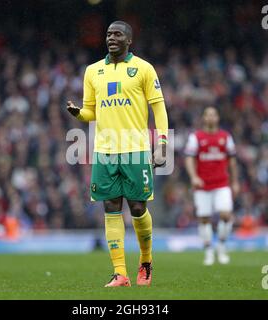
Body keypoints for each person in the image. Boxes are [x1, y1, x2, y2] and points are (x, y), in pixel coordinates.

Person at [66, 21, 168, 287]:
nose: (111, 38)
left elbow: (159, 108)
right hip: (105, 150)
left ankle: (145, 262)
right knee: (111, 208)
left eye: (117, 34)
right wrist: (79, 113)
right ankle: (120, 273)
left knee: (137, 207)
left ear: (129, 40)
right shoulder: (93, 71)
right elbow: (91, 112)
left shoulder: (143, 69)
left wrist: (163, 143)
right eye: (109, 33)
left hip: (135, 148)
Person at [184, 107, 240, 265]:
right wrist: (194, 177)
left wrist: (235, 182)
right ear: (203, 118)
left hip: (222, 183)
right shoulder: (196, 137)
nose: (210, 117)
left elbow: (233, 161)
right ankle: (208, 250)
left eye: (213, 114)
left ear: (217, 117)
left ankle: (221, 245)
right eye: (207, 115)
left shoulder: (225, 137)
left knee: (226, 215)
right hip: (202, 185)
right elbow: (189, 158)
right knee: (204, 219)